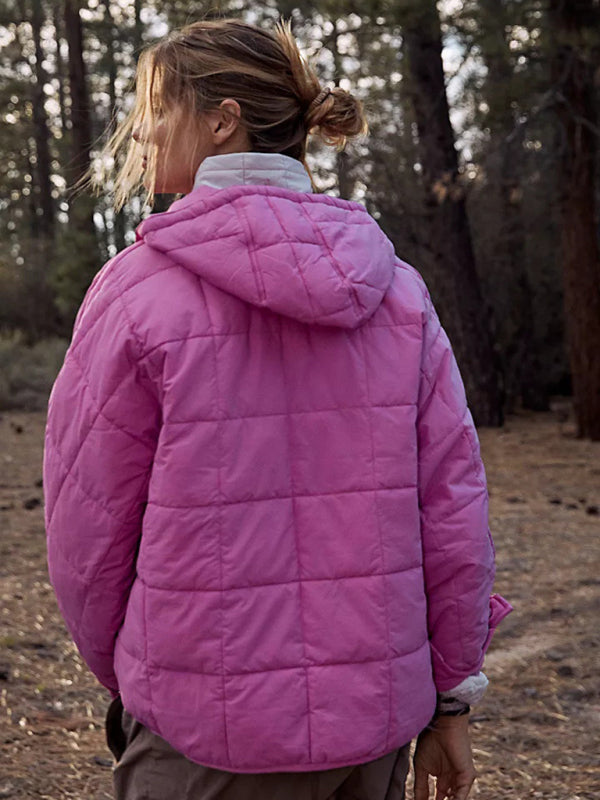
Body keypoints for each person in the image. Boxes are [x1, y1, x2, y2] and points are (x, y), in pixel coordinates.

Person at [43, 18, 512, 800]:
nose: (144, 131)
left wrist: (138, 674)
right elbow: (454, 516)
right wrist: (452, 698)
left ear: (222, 120)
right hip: (370, 736)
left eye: (159, 107)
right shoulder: (398, 291)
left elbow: (85, 531)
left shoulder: (135, 292)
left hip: (200, 736)